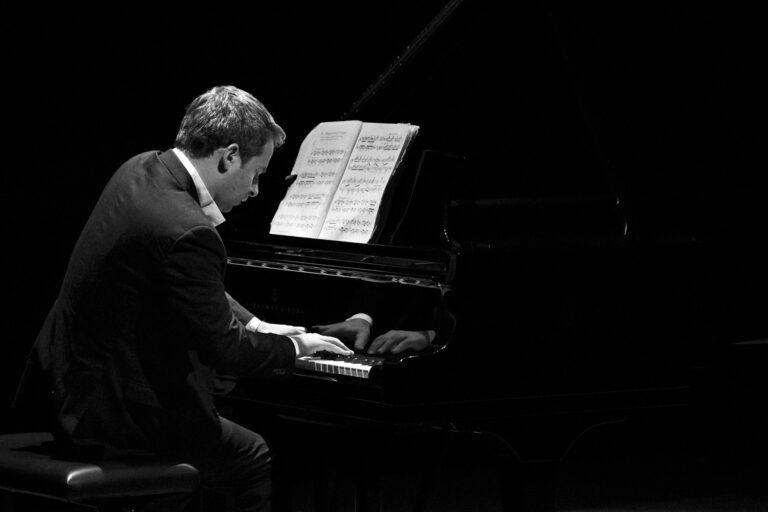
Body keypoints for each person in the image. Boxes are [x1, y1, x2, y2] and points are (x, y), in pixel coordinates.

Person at [12, 85, 360, 512]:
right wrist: (295, 347)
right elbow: (227, 352)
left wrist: (257, 324)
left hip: (64, 389)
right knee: (251, 457)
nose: (255, 190)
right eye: (257, 173)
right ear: (229, 156)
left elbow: (184, 280)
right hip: (114, 420)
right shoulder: (189, 229)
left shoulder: (140, 169)